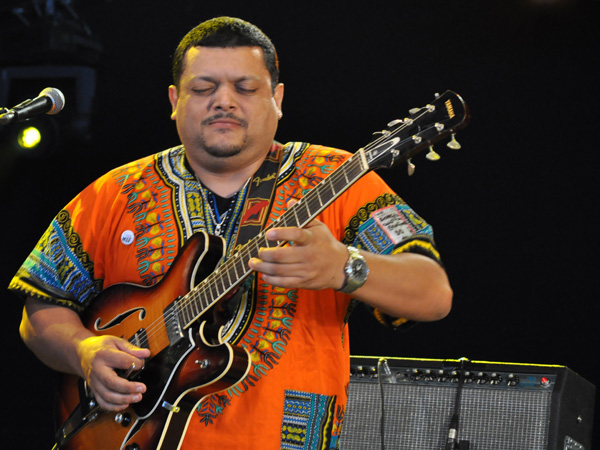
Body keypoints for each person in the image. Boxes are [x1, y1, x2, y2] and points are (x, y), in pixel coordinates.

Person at [9, 16, 452, 449]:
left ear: (277, 98)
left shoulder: (340, 180)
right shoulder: (113, 193)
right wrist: (84, 353)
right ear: (174, 100)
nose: (224, 101)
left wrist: (345, 267)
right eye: (203, 89)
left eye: (246, 88)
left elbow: (433, 293)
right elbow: (40, 314)